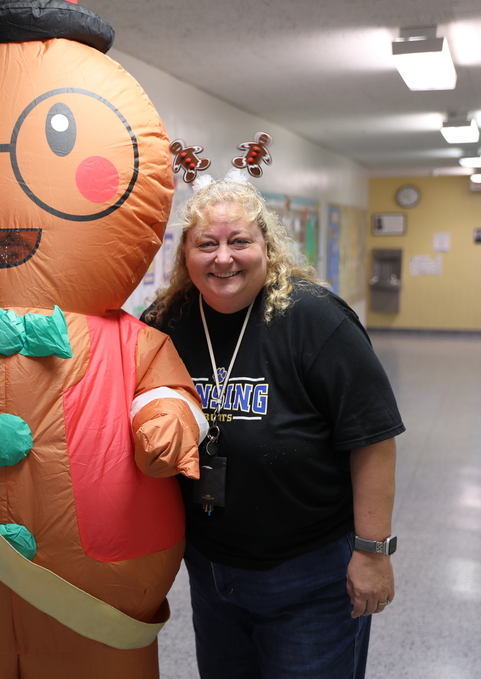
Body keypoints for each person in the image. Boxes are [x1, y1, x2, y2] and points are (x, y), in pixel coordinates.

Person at [142, 177, 403, 679]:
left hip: (310, 573)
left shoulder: (315, 320)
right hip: (210, 568)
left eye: (239, 241)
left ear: (267, 245)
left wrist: (373, 553)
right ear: (185, 254)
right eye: (206, 244)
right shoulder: (166, 322)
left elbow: (373, 438)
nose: (223, 258)